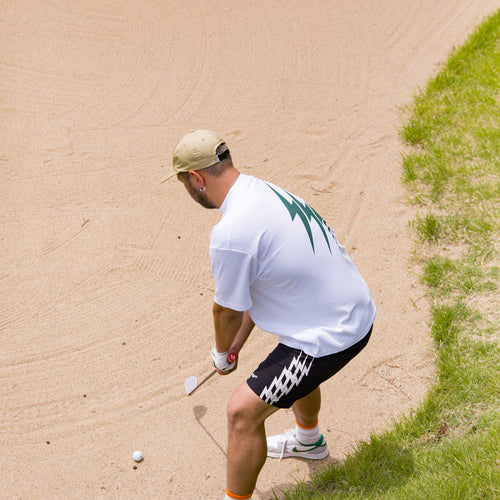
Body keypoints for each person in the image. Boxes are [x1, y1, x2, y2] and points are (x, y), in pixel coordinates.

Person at [161, 130, 377, 500]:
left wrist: (221, 352)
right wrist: (237, 346)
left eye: (184, 183)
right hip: (347, 307)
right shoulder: (263, 191)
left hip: (333, 330)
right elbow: (256, 294)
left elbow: (226, 310)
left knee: (241, 413)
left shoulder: (231, 233)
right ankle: (309, 441)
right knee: (290, 356)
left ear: (196, 179)